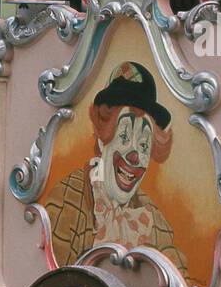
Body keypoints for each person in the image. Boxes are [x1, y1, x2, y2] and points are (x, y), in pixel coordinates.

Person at [43, 61, 186, 272]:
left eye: (144, 144)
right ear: (103, 139)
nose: (135, 156)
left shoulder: (153, 219)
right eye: (124, 135)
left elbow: (179, 275)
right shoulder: (67, 199)